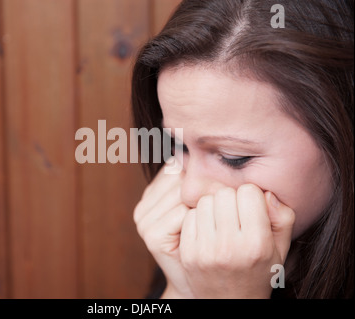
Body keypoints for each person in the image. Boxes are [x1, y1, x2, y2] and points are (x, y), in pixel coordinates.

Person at [131, 0, 353, 298]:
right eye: (178, 146)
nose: (190, 193)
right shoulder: (212, 248)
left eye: (234, 158)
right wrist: (182, 289)